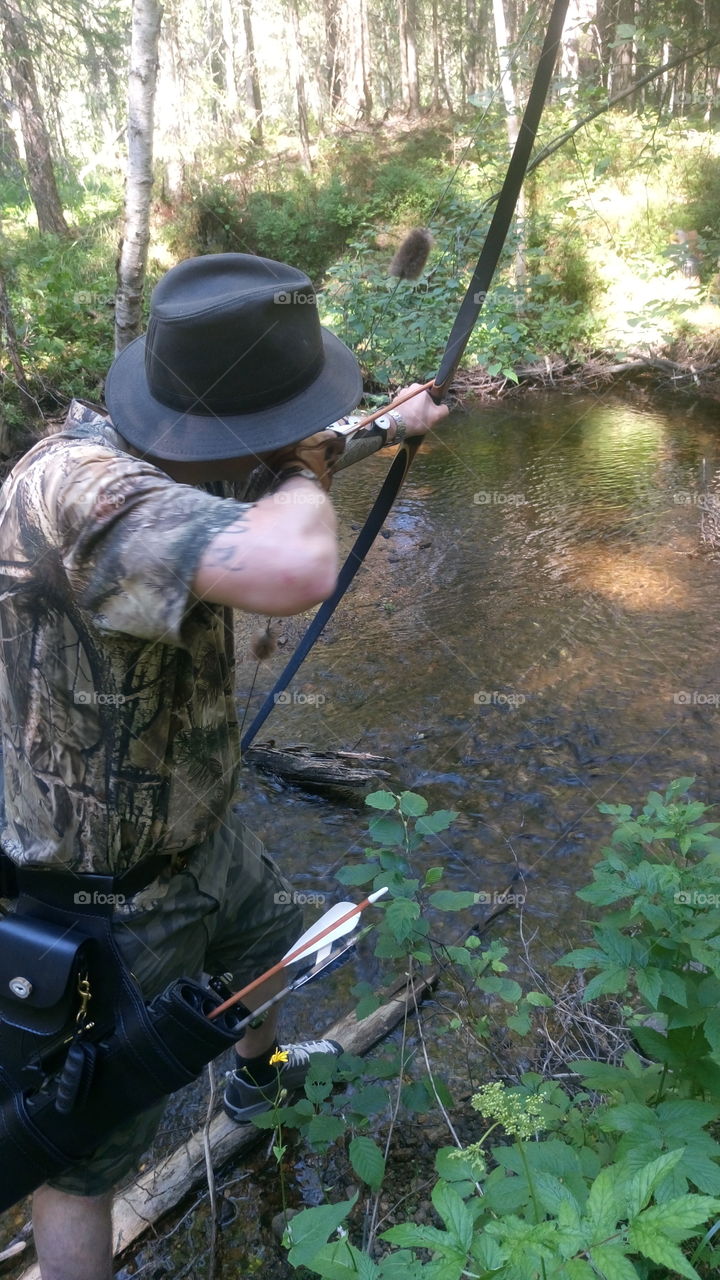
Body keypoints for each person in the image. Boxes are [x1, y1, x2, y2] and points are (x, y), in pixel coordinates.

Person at [0, 252, 448, 1280]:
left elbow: (280, 462)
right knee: (86, 1149)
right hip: (99, 896)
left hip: (202, 834)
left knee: (267, 939)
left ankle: (257, 1084)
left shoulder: (184, 453)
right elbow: (292, 558)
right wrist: (303, 463)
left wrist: (387, 427)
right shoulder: (83, 486)